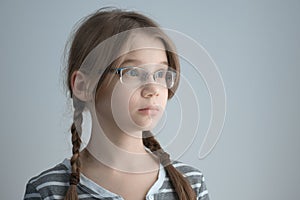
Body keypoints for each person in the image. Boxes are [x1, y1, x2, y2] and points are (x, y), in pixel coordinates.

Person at [24, 8, 209, 200]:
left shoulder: (191, 184)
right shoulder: (47, 191)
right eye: (132, 72)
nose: (153, 89)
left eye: (161, 74)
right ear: (82, 86)